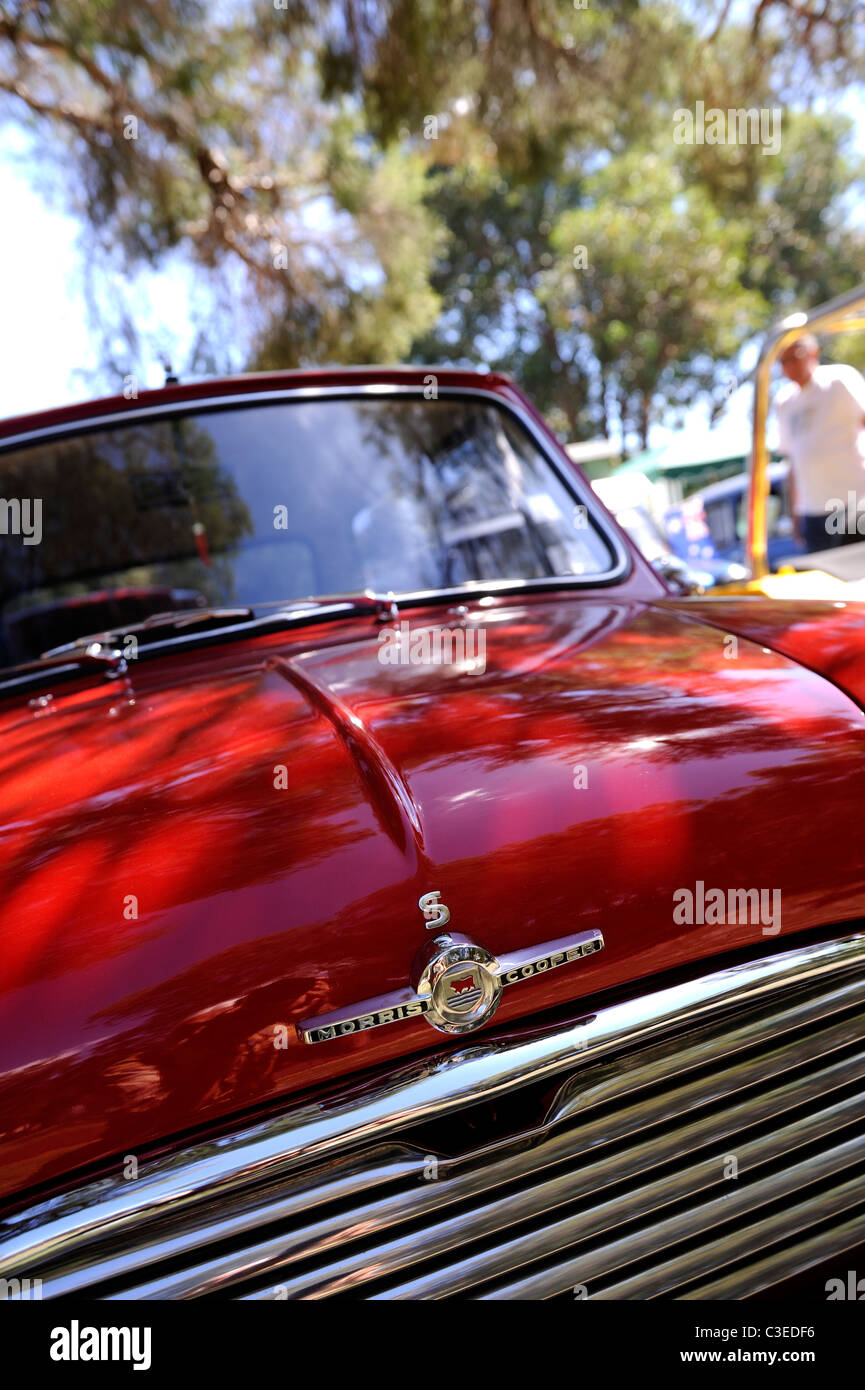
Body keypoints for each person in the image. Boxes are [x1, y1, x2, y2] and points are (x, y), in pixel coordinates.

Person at [776, 334, 865, 553]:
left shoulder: (839, 380)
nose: (789, 366)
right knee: (826, 582)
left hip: (855, 502)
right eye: (783, 361)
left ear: (813, 352)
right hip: (813, 512)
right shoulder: (784, 401)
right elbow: (793, 461)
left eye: (794, 357)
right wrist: (796, 512)